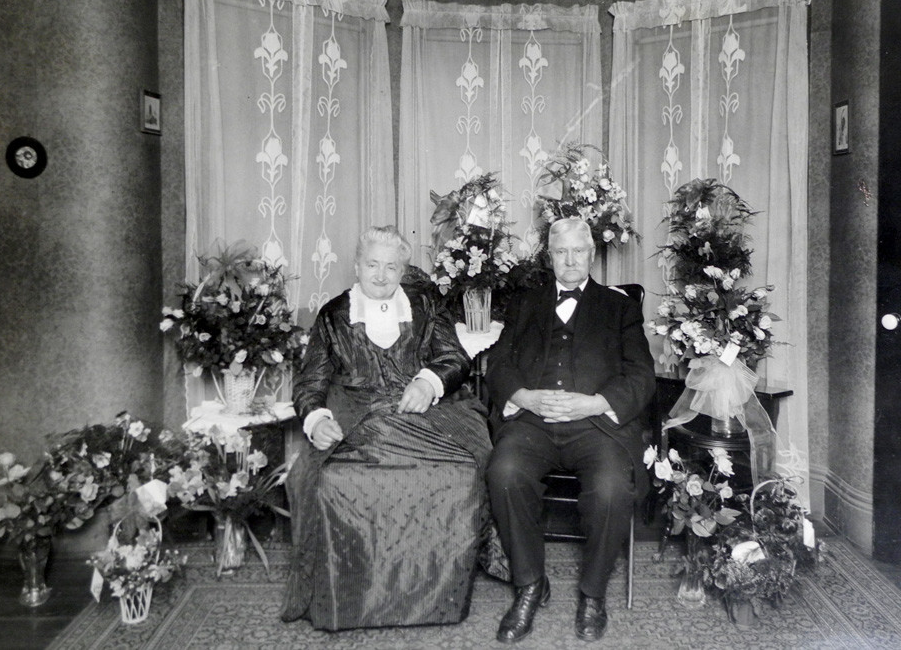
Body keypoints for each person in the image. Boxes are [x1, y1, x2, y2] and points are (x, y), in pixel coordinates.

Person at [280, 225, 493, 630]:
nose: (380, 275)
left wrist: (428, 381)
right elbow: (310, 382)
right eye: (372, 265)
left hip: (426, 412)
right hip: (356, 413)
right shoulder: (333, 316)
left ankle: (436, 600)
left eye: (391, 267)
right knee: (320, 480)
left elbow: (454, 357)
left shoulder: (425, 305)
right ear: (357, 266)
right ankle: (349, 600)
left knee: (468, 469)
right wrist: (317, 418)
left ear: (403, 270)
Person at [485, 217, 656, 643]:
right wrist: (524, 397)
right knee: (504, 473)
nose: (570, 259)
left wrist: (595, 403)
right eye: (561, 251)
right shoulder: (526, 303)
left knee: (613, 488)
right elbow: (499, 364)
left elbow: (642, 376)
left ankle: (592, 593)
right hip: (533, 425)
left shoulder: (619, 307)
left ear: (592, 255)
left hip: (596, 426)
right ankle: (529, 584)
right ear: (549, 257)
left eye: (578, 250)